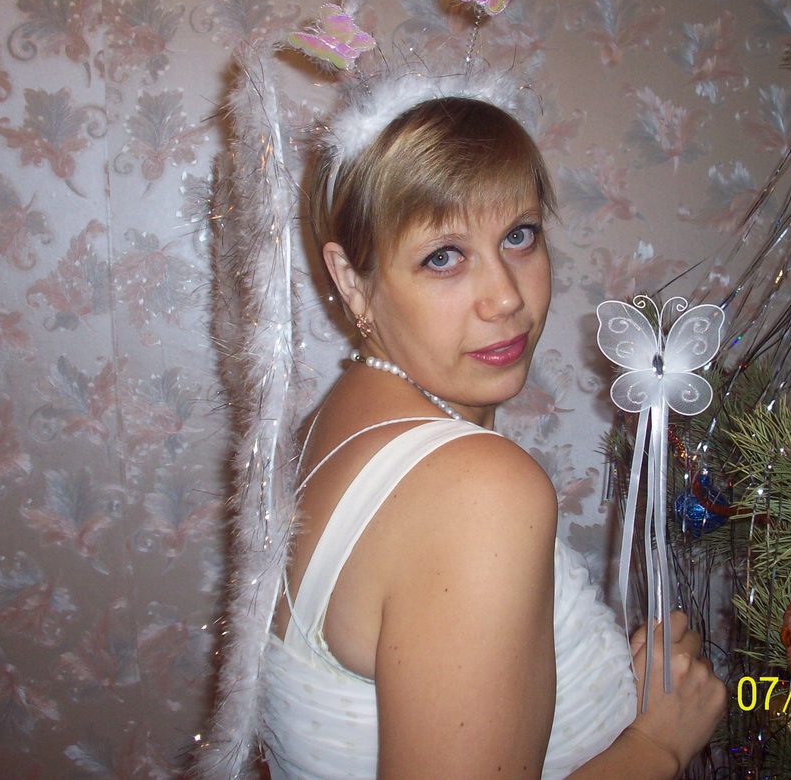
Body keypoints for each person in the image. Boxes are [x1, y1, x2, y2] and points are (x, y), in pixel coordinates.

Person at [256, 91, 726, 778]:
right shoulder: (478, 492)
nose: (506, 296)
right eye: (444, 256)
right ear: (352, 281)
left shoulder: (334, 423)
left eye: (519, 235)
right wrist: (658, 743)